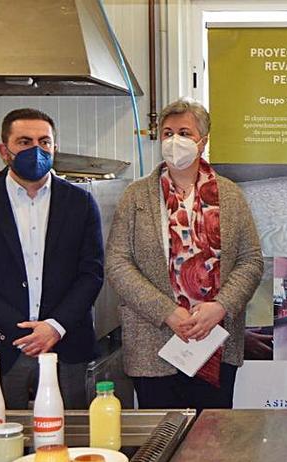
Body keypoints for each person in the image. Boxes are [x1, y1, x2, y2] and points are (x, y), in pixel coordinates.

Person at [105, 98, 264, 409]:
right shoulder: (136, 196)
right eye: (167, 132)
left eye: (184, 133)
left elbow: (250, 260)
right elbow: (118, 263)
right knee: (160, 439)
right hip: (153, 344)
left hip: (215, 341)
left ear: (202, 142)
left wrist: (220, 306)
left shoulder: (231, 195)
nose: (174, 141)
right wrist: (167, 311)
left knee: (212, 442)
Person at [0, 108, 105, 409]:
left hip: (66, 345)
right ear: (4, 151)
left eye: (44, 142)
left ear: (54, 148)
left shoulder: (81, 203)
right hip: (1, 346)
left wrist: (54, 326)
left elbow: (92, 273)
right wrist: (21, 332)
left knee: (69, 442)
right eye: (24, 142)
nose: (36, 150)